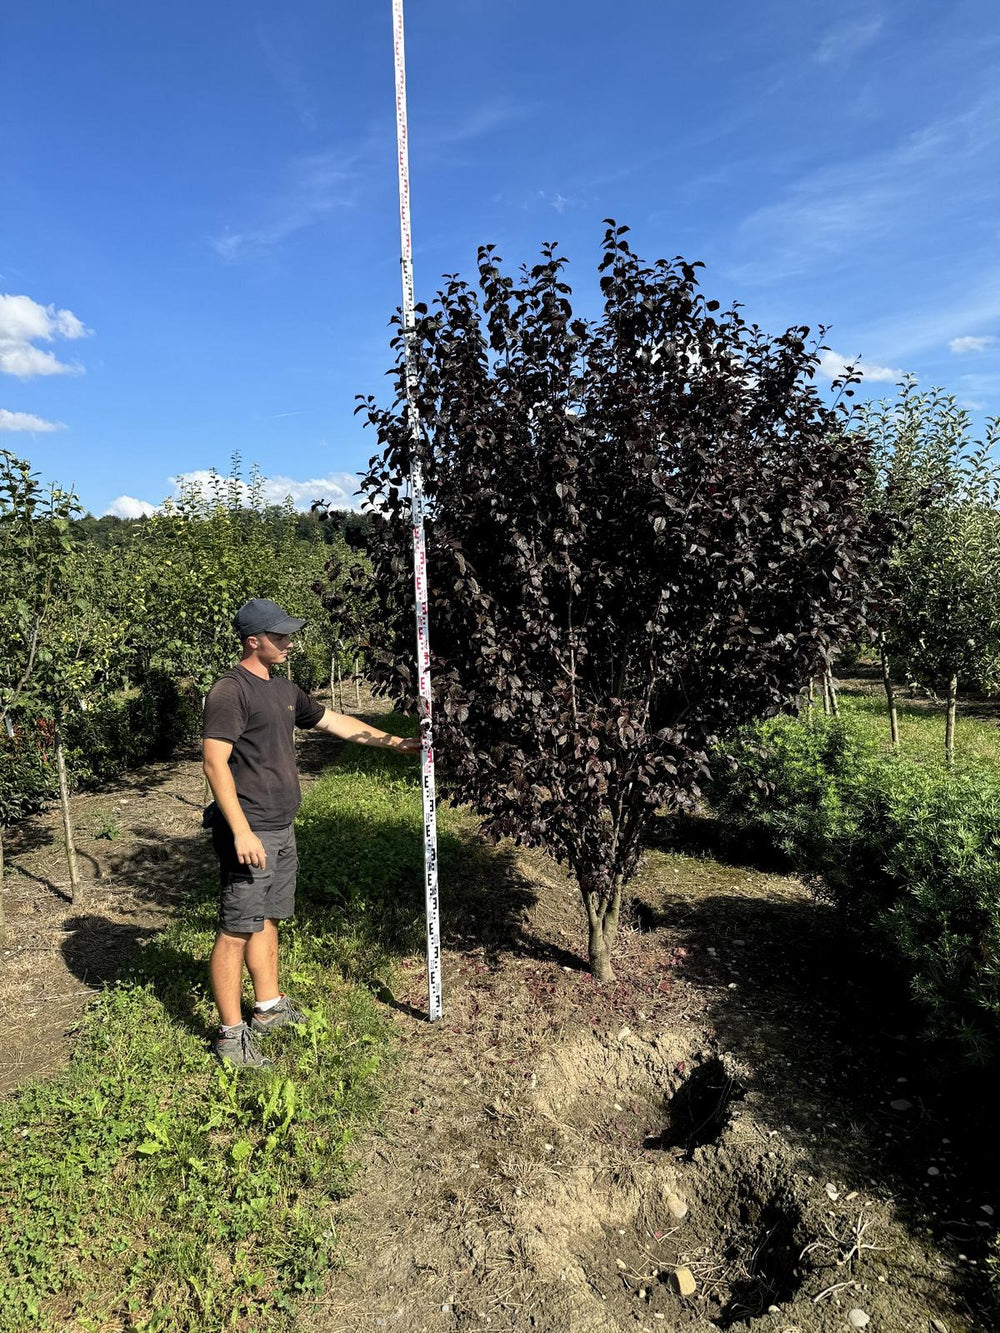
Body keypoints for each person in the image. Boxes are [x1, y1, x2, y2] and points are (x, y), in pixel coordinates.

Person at [203, 597, 421, 1067]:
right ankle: (230, 1033)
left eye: (288, 634)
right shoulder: (230, 690)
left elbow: (335, 722)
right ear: (252, 641)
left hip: (281, 827)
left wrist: (396, 743)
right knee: (236, 928)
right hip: (251, 828)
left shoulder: (283, 688)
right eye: (279, 636)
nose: (288, 642)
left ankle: (267, 1007)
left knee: (267, 918)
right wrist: (240, 830)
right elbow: (214, 761)